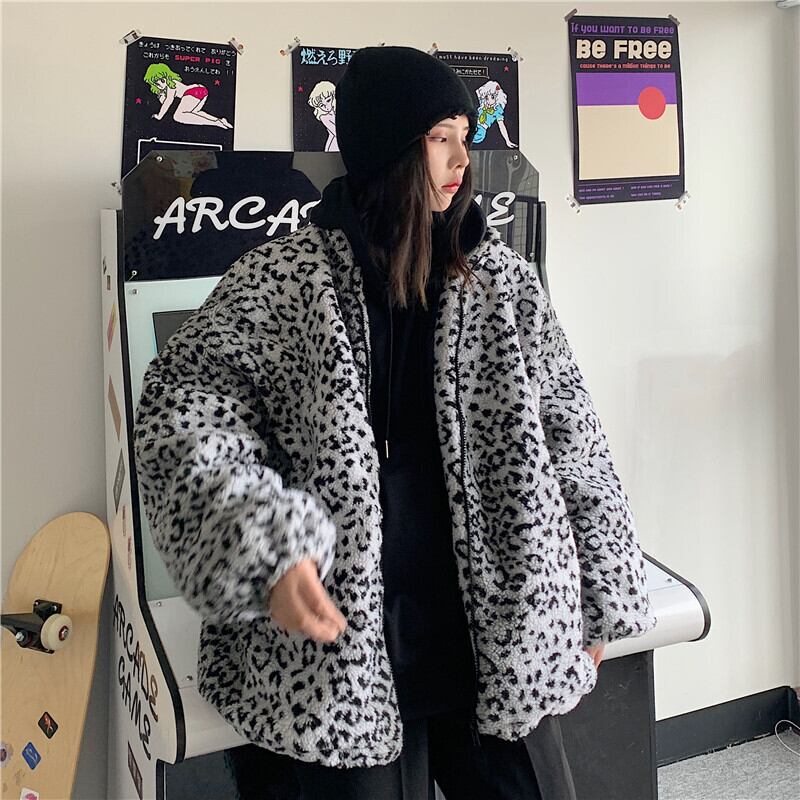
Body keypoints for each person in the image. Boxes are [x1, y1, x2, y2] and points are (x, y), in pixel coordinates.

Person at [133, 46, 657, 799]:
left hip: (497, 634)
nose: (461, 160)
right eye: (440, 137)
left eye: (465, 137)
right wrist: (265, 546)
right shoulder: (285, 281)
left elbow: (572, 433)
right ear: (389, 147)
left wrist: (597, 591)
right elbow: (183, 416)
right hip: (343, 645)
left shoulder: (501, 281)